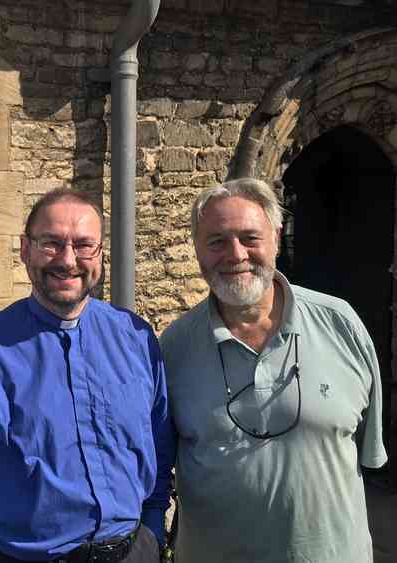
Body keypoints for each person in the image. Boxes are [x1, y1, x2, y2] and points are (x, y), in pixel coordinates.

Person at [0, 189, 175, 563]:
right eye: (51, 244)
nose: (67, 260)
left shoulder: (136, 338)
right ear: (25, 250)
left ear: (100, 254)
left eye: (83, 245)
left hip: (133, 551)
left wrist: (153, 532)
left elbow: (159, 444)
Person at [159, 178, 388, 563]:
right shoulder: (173, 348)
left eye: (250, 237)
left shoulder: (341, 325)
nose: (235, 254)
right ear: (196, 248)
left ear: (277, 238)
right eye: (216, 241)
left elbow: (366, 448)